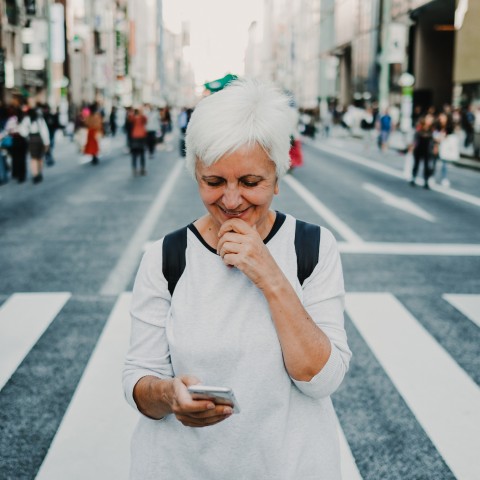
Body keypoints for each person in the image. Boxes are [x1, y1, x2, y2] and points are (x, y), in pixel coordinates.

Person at [123, 79, 352, 479]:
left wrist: (269, 275)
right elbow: (139, 380)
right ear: (195, 173)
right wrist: (168, 395)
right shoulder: (165, 257)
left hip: (290, 467)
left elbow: (320, 379)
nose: (230, 201)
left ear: (277, 179)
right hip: (182, 467)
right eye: (213, 182)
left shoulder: (312, 247)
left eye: (250, 182)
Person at [21, 107, 50, 184]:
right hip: (39, 139)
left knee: (33, 158)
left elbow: (22, 130)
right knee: (40, 158)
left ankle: (35, 174)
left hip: (31, 139)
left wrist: (27, 136)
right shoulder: (40, 119)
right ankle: (39, 173)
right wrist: (46, 143)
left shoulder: (26, 119)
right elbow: (45, 132)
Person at [411, 113, 434, 189]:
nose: (429, 121)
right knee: (416, 164)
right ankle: (413, 178)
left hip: (427, 149)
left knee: (427, 166)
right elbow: (415, 136)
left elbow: (434, 138)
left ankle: (426, 181)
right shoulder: (420, 126)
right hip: (419, 148)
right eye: (428, 119)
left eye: (431, 119)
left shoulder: (432, 128)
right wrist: (413, 146)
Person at [129, 108, 147, 176]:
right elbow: (145, 120)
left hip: (135, 137)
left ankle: (134, 168)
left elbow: (130, 119)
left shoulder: (134, 118)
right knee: (142, 153)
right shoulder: (141, 117)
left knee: (134, 154)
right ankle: (142, 168)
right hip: (141, 136)